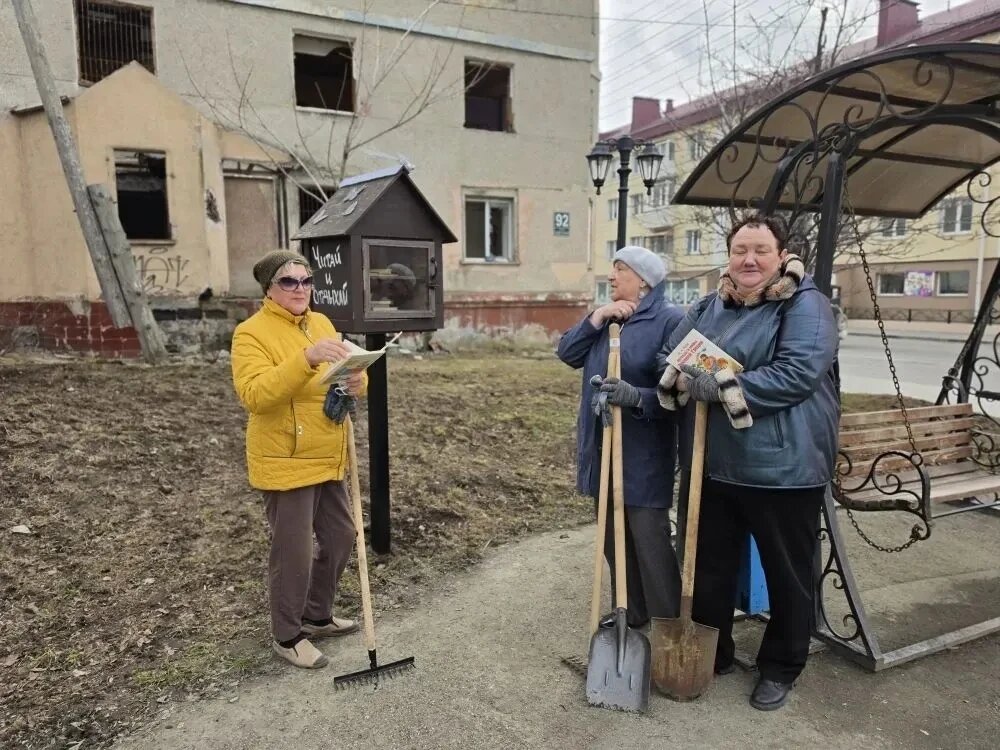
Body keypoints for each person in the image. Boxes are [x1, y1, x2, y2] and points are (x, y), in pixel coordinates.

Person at [656, 213, 839, 711]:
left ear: (782, 255)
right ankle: (713, 652)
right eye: (740, 250)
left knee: (787, 574)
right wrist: (676, 374)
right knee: (710, 568)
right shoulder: (711, 304)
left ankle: (781, 666)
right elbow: (673, 355)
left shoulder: (806, 304)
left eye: (760, 250)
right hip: (714, 463)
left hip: (783, 467)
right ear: (729, 256)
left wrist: (721, 385)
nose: (749, 259)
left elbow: (797, 372)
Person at [231, 249, 366, 669]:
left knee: (342, 536)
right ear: (269, 289)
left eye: (306, 280)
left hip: (326, 452)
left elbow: (340, 382)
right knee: (293, 552)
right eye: (289, 282)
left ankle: (316, 614)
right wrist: (305, 359)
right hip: (285, 458)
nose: (300, 289)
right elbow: (255, 395)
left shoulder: (321, 323)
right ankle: (287, 635)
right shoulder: (250, 333)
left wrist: (357, 378)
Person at [557, 245, 685, 629]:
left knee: (649, 540)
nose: (611, 277)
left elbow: (678, 393)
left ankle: (669, 625)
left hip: (643, 452)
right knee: (614, 538)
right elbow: (567, 352)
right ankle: (632, 610)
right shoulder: (612, 319)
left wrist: (637, 397)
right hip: (602, 446)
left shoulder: (670, 321)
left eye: (619, 269)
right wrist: (596, 318)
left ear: (643, 280)